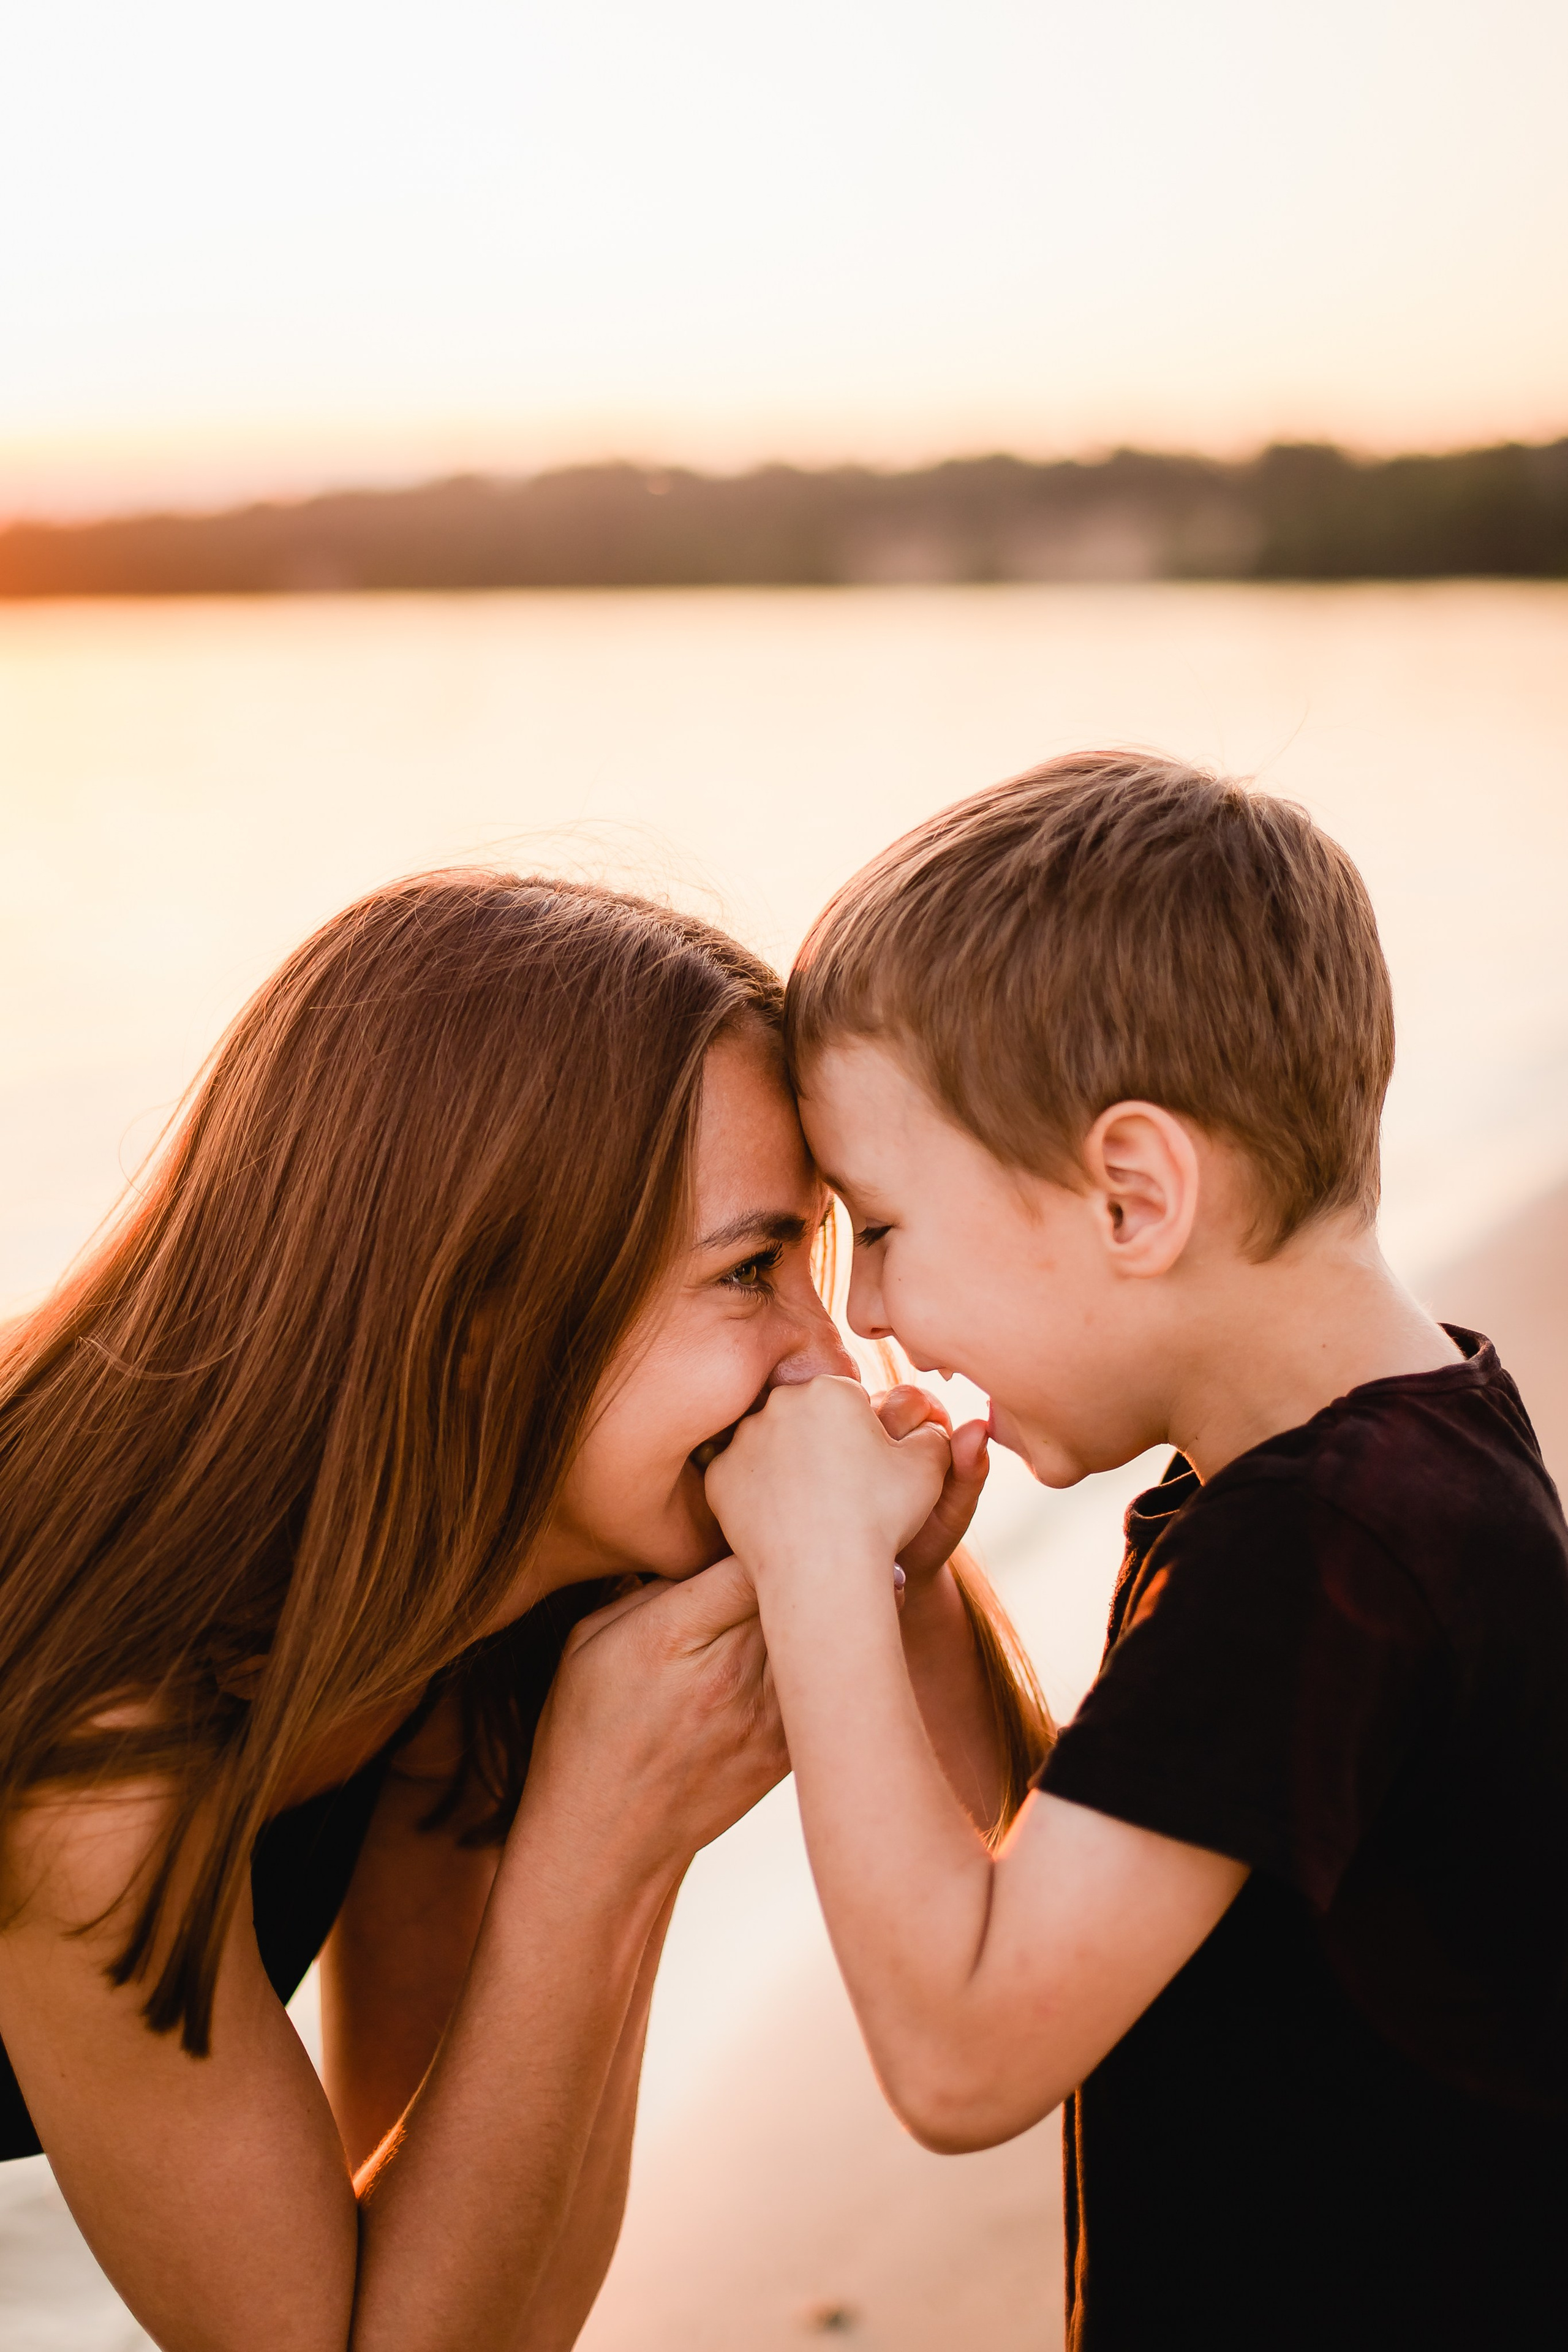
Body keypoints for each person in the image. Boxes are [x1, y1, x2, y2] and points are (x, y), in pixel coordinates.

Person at [0, 870, 1048, 2352]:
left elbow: (475, 2309)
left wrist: (644, 1813)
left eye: (818, 1260)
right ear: (482, 1321)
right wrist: (598, 1830)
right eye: (751, 1271)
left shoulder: (504, 1594)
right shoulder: (103, 1744)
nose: (828, 1357)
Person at [707, 752, 1568, 2350]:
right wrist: (912, 1591)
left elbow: (966, 2057)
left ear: (1130, 1197)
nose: (871, 1310)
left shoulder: (1327, 1551)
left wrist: (814, 1570)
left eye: (881, 1227)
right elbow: (1078, 1880)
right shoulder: (1379, 1466)